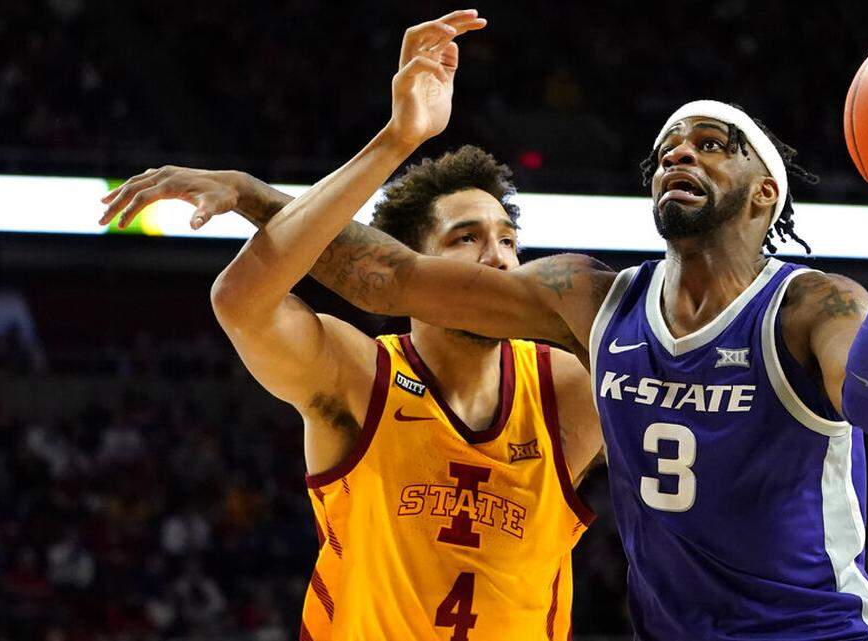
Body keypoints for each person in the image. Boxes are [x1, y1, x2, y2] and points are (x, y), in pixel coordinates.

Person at [103, 14, 868, 641]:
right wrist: (257, 195)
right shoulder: (594, 304)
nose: (680, 155)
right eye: (667, 148)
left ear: (764, 192)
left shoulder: (812, 304)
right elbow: (383, 275)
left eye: (710, 143)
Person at [102, 11, 602, 640]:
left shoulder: (568, 387)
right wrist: (396, 140)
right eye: (466, 239)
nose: (498, 259)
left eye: (508, 241)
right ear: (410, 269)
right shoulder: (360, 376)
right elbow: (241, 301)